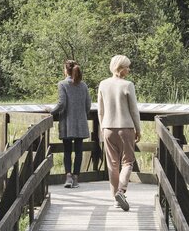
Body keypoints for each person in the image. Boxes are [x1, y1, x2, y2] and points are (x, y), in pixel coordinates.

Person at [96, 54, 141, 211]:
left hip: (108, 128)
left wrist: (102, 128)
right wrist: (138, 129)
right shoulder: (128, 85)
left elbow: (100, 111)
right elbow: (134, 110)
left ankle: (115, 199)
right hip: (126, 128)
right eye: (127, 67)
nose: (128, 70)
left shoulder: (103, 84)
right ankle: (121, 191)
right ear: (120, 68)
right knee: (127, 162)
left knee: (112, 164)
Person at [55, 60, 91, 188]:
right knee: (79, 151)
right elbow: (88, 105)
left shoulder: (62, 84)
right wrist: (81, 115)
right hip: (81, 122)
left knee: (67, 151)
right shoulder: (83, 85)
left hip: (67, 122)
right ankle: (76, 178)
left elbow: (62, 104)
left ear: (66, 70)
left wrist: (51, 112)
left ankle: (68, 176)